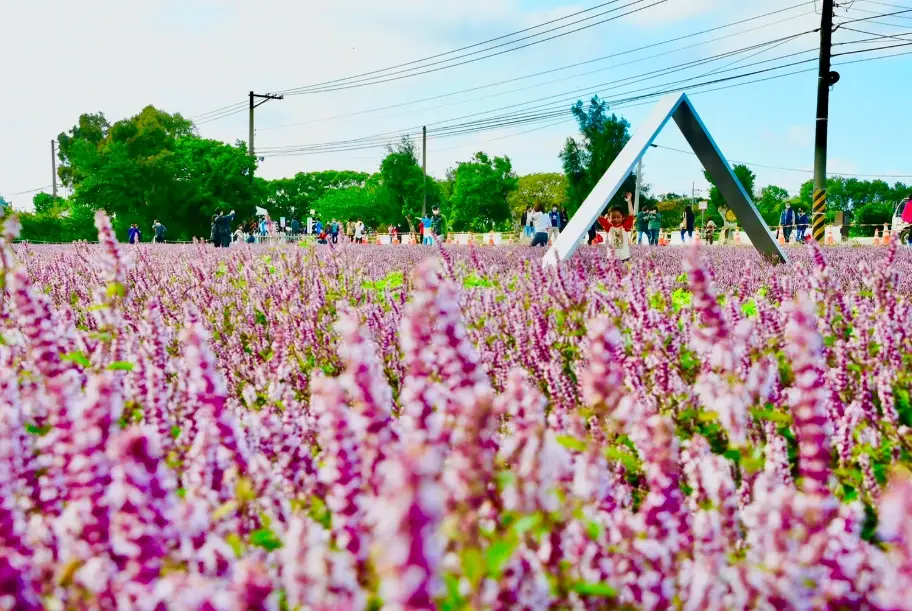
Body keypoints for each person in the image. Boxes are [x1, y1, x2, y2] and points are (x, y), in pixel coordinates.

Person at [597, 193, 636, 262]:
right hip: (611, 258)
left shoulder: (625, 227)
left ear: (622, 217)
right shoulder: (608, 227)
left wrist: (629, 201)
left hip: (624, 258)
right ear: (609, 218)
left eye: (618, 217)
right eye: (613, 217)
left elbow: (631, 215)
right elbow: (598, 216)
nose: (616, 219)